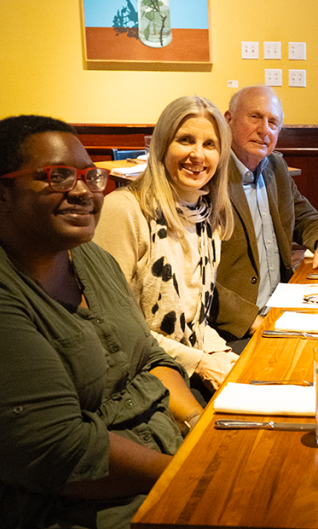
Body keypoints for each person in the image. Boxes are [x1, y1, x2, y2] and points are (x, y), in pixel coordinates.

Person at [0, 115, 203, 528]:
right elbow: (59, 453)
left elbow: (148, 359)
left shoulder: (92, 259)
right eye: (58, 177)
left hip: (158, 466)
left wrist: (200, 432)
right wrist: (191, 476)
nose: (82, 193)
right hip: (49, 507)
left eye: (90, 177)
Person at [94, 96, 238, 396]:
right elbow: (111, 327)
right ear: (161, 146)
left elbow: (194, 324)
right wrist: (199, 363)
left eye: (209, 144)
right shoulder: (124, 211)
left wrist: (220, 355)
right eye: (185, 140)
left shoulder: (207, 217)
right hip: (136, 377)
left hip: (185, 366)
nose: (197, 155)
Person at [214, 85, 318, 345]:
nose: (265, 130)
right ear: (228, 119)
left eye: (273, 122)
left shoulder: (274, 167)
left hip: (283, 307)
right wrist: (252, 321)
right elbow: (197, 278)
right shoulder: (210, 178)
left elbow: (303, 215)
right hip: (235, 331)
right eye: (255, 117)